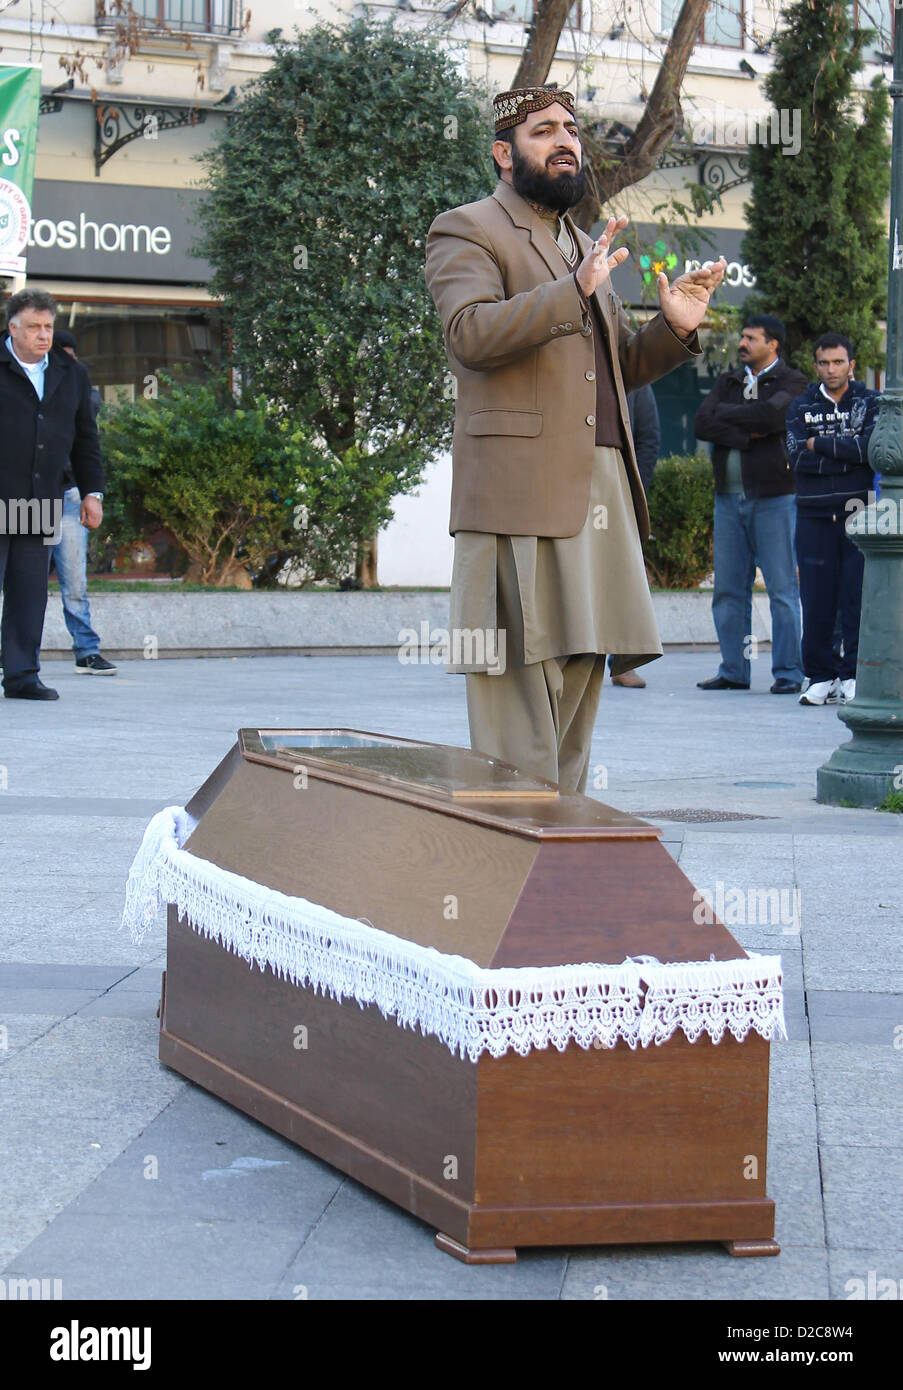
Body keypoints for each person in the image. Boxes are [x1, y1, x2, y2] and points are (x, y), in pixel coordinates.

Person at [425, 85, 725, 793]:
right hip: (516, 492)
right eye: (541, 132)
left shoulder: (585, 245)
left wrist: (674, 326)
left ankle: (560, 843)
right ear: (504, 154)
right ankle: (510, 846)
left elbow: (617, 367)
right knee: (516, 684)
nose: (563, 141)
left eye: (570, 129)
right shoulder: (466, 228)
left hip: (597, 488)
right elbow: (469, 336)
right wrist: (570, 291)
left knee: (586, 668)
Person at [693, 315, 808, 694]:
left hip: (775, 497)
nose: (742, 343)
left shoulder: (792, 382)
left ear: (772, 344)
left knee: (781, 589)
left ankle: (789, 673)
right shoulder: (729, 381)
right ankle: (734, 670)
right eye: (742, 337)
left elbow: (774, 416)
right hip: (727, 498)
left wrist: (730, 418)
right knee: (728, 589)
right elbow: (702, 423)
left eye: (750, 338)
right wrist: (747, 434)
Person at [0, 289, 104, 700]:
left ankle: (22, 675)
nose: (43, 335)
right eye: (33, 327)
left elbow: (85, 440)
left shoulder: (70, 373)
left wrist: (92, 492)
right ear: (13, 328)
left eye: (48, 326)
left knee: (28, 591)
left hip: (40, 498)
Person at [785, 333, 878, 706]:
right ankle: (820, 676)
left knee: (855, 596)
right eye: (824, 362)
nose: (831, 369)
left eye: (838, 362)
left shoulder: (871, 403)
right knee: (817, 597)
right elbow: (797, 458)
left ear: (851, 365)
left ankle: (852, 675)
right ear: (815, 365)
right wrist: (846, 454)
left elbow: (870, 451)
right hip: (814, 512)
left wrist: (818, 443)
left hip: (859, 511)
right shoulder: (801, 405)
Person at [50, 329, 116, 675]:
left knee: (75, 581)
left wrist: (94, 494)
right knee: (20, 581)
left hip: (70, 494)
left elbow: (87, 442)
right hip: (30, 499)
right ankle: (15, 656)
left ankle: (86, 650)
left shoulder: (80, 390)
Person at [608, 384, 661, 689]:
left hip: (620, 493)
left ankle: (624, 662)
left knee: (625, 579)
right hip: (570, 492)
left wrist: (632, 488)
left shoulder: (637, 383)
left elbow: (649, 439)